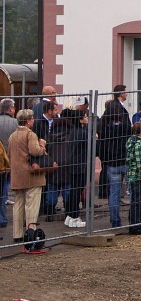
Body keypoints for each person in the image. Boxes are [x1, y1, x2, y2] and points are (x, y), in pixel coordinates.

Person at [47, 98, 89, 228]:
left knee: (72, 192)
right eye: (85, 116)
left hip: (73, 165)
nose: (87, 117)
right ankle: (74, 217)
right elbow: (89, 148)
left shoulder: (73, 132)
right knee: (76, 192)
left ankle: (70, 217)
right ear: (81, 119)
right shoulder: (82, 133)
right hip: (80, 166)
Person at [10, 109, 49, 243]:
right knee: (32, 204)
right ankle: (31, 232)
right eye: (32, 119)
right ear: (28, 121)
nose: (33, 121)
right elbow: (35, 151)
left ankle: (17, 233)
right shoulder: (30, 135)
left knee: (18, 204)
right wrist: (42, 145)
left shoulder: (13, 135)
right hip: (31, 175)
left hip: (17, 174)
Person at [98, 87, 132, 228]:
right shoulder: (123, 123)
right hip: (123, 158)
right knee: (133, 190)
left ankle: (115, 220)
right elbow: (128, 134)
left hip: (111, 160)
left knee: (114, 192)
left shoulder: (104, 123)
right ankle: (134, 218)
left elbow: (102, 139)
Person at [126, 120, 141, 235]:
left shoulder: (132, 142)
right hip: (139, 177)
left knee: (136, 201)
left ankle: (136, 224)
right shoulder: (140, 145)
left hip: (134, 176)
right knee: (139, 201)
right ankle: (138, 225)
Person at [0, 98, 18, 229]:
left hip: (1, 158)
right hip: (9, 159)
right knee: (4, 189)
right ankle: (2, 218)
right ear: (10, 109)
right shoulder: (15, 122)